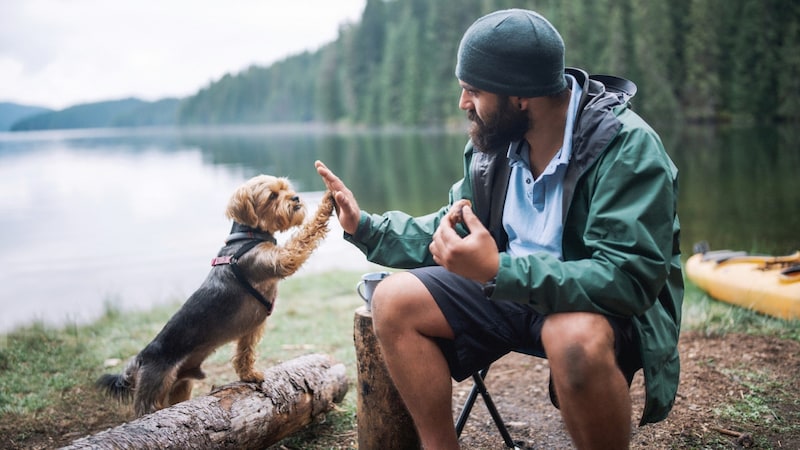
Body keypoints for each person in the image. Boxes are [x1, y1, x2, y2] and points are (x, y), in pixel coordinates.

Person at [316, 8, 682, 450]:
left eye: (473, 90)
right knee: (393, 300)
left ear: (521, 96)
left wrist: (497, 270)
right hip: (509, 289)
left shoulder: (626, 147)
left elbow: (628, 279)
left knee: (571, 339)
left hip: (595, 305)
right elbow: (450, 224)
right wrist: (367, 228)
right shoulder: (493, 145)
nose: (463, 103)